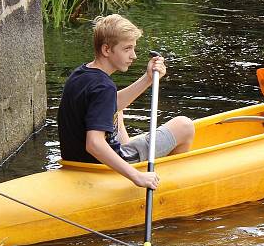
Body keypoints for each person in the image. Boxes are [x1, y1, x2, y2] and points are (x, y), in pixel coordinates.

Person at [57, 14, 195, 190]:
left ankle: (140, 158)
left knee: (118, 110)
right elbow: (94, 143)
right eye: (127, 49)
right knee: (184, 126)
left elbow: (109, 104)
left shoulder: (81, 74)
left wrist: (148, 79)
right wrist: (137, 176)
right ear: (107, 50)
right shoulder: (105, 87)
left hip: (77, 162)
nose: (134, 56)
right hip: (101, 167)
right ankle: (171, 185)